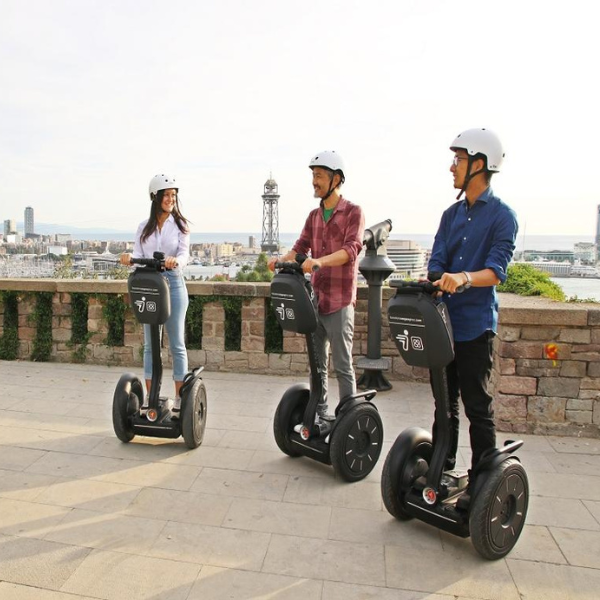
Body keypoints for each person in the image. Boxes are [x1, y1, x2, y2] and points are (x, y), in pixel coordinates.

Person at [428, 128, 518, 480]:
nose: (453, 167)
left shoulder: (502, 216)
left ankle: (482, 478)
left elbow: (496, 271)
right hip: (445, 324)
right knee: (443, 404)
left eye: (459, 160)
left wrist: (463, 277)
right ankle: (441, 466)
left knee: (477, 406)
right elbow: (437, 261)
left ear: (480, 164)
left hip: (476, 326)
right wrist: (437, 278)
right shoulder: (450, 216)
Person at [269, 151, 365, 419]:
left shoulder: (353, 212)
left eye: (319, 176)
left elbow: (351, 250)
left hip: (340, 301)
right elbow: (300, 248)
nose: (314, 181)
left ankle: (349, 419)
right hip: (317, 301)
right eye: (313, 176)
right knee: (317, 365)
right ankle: (320, 412)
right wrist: (280, 260)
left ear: (336, 179)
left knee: (343, 365)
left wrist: (319, 261)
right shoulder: (314, 216)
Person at [120, 174, 191, 417]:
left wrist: (175, 261)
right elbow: (137, 255)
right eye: (166, 195)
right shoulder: (143, 227)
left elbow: (184, 255)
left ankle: (181, 398)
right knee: (150, 345)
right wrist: (129, 258)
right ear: (155, 196)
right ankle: (151, 399)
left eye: (174, 195)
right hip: (150, 283)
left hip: (173, 284)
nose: (171, 199)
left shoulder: (181, 226)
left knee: (176, 343)